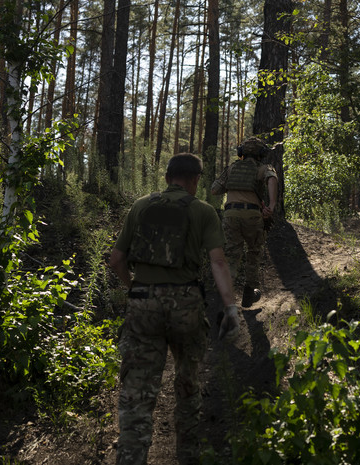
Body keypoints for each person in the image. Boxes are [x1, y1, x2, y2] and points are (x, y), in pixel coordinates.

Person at [109, 153, 239, 465]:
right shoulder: (203, 211)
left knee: (137, 391)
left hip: (143, 304)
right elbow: (218, 262)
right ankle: (188, 456)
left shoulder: (140, 206)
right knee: (188, 383)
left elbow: (116, 260)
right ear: (196, 180)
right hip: (186, 304)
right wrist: (230, 307)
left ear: (167, 177)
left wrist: (135, 288)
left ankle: (130, 458)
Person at [211, 137, 278, 308]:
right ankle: (249, 294)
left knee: (232, 256)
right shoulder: (263, 168)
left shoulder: (232, 168)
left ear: (241, 152)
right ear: (261, 154)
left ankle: (224, 298)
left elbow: (214, 190)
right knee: (254, 253)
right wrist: (271, 205)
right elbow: (272, 179)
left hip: (231, 215)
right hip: (253, 215)